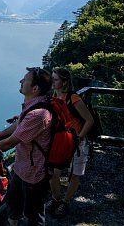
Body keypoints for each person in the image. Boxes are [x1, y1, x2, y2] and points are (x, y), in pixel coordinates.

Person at [0, 67, 52, 226]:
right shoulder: (33, 106)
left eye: (25, 79)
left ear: (35, 88)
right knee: (13, 202)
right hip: (21, 167)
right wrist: (1, 134)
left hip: (34, 172)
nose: (20, 81)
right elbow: (19, 124)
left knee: (33, 214)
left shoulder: (38, 114)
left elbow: (11, 142)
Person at [45, 67, 94, 217]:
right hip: (62, 142)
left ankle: (65, 202)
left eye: (55, 79)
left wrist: (79, 137)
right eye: (52, 78)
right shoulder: (53, 96)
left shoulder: (73, 98)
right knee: (54, 173)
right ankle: (56, 198)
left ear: (64, 82)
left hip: (78, 142)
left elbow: (89, 120)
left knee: (75, 174)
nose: (52, 81)